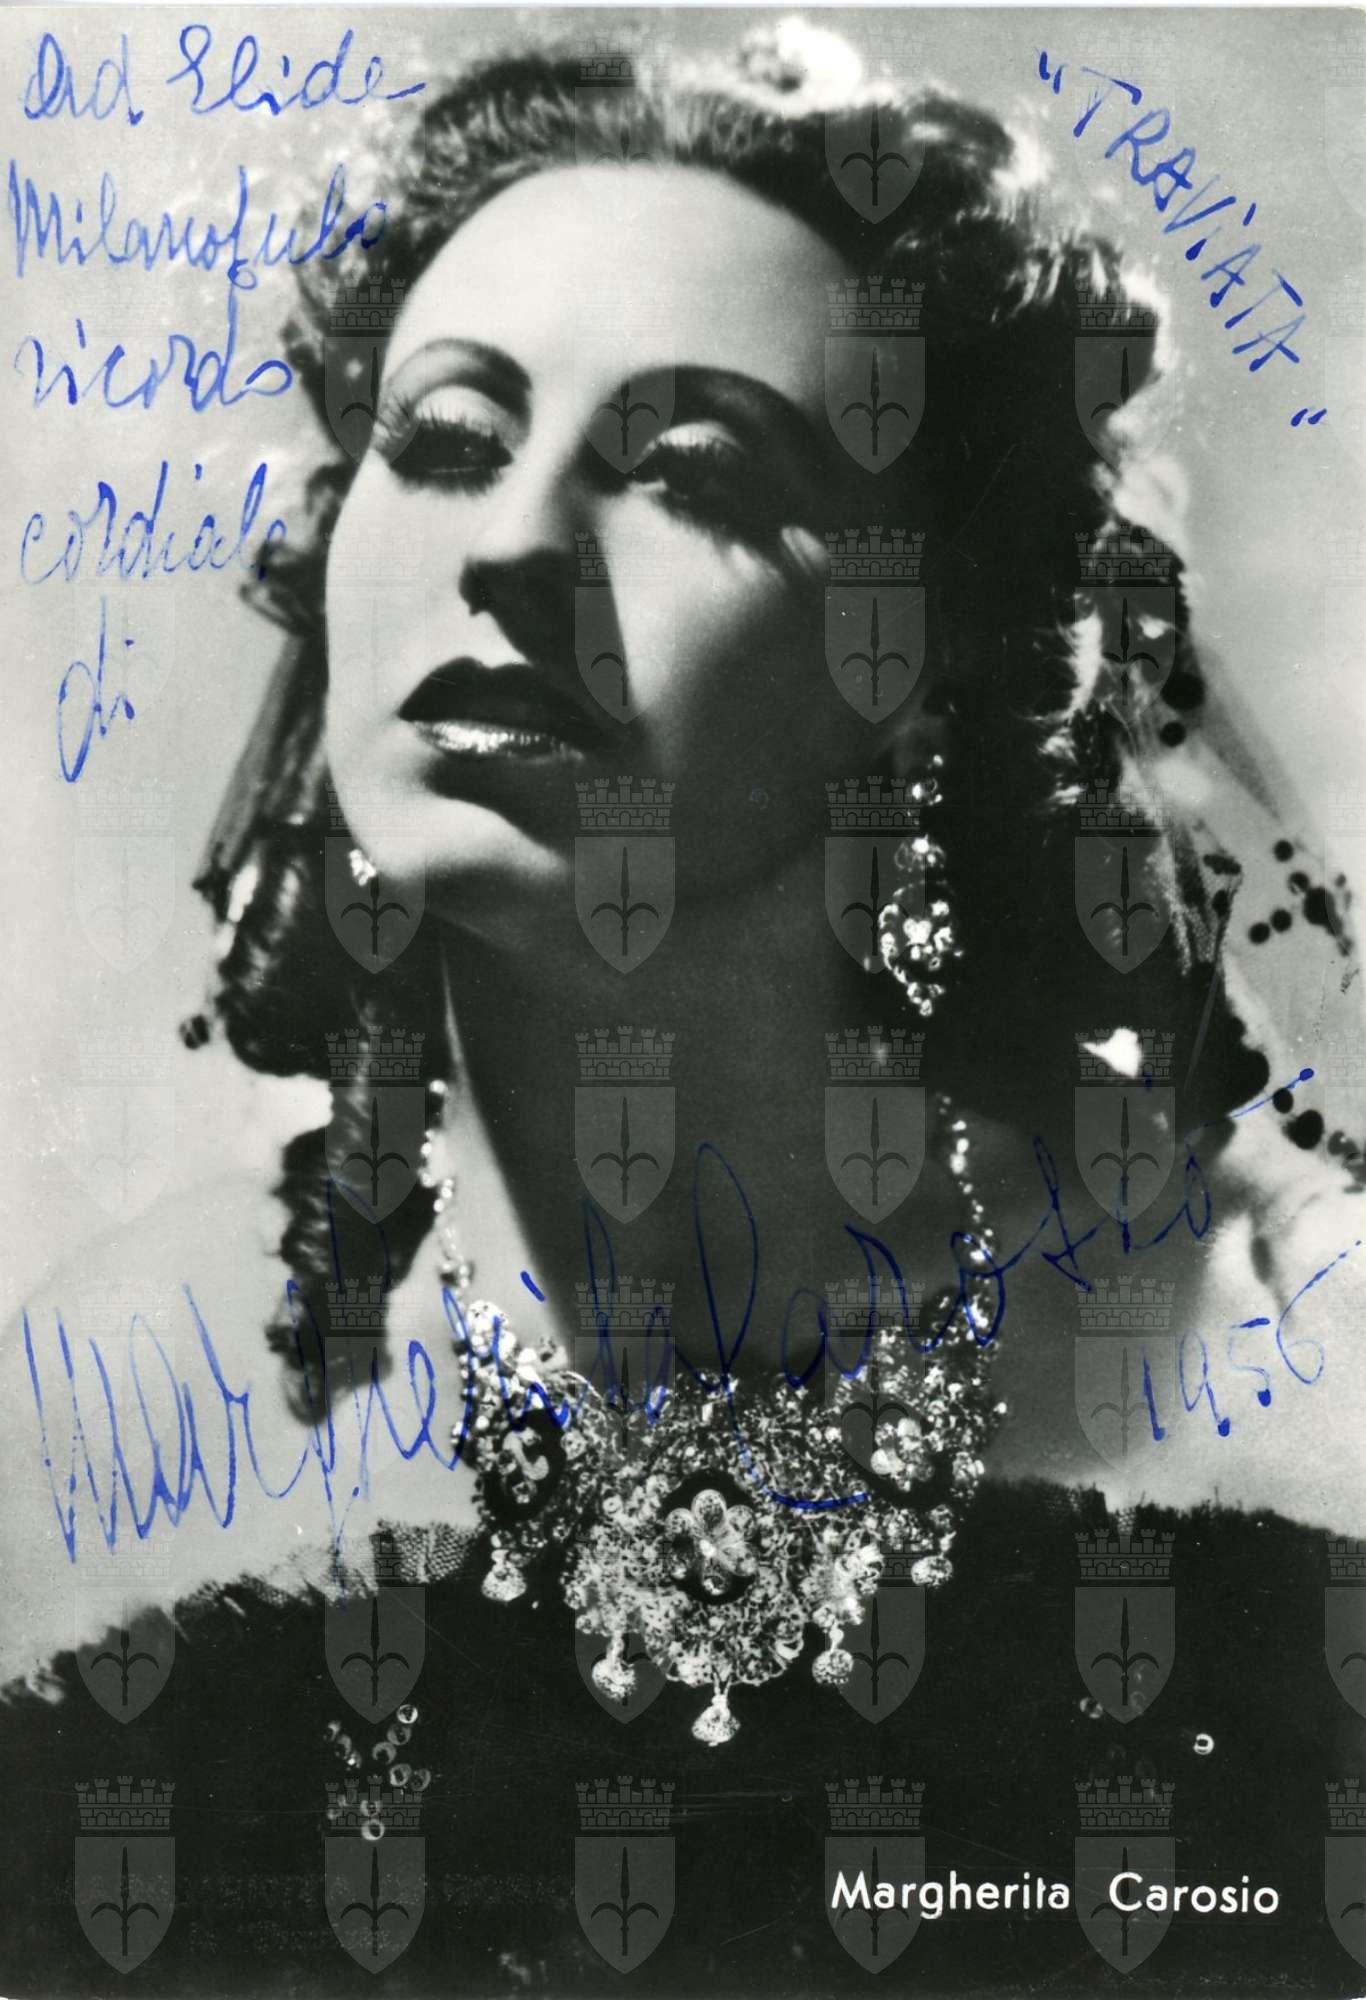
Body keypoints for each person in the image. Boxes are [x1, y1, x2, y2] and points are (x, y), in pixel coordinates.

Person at [4, 28, 1363, 1994]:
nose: (508, 551)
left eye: (691, 474)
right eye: (445, 441)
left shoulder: (1290, 1376)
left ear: (931, 652)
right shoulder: (105, 1408)